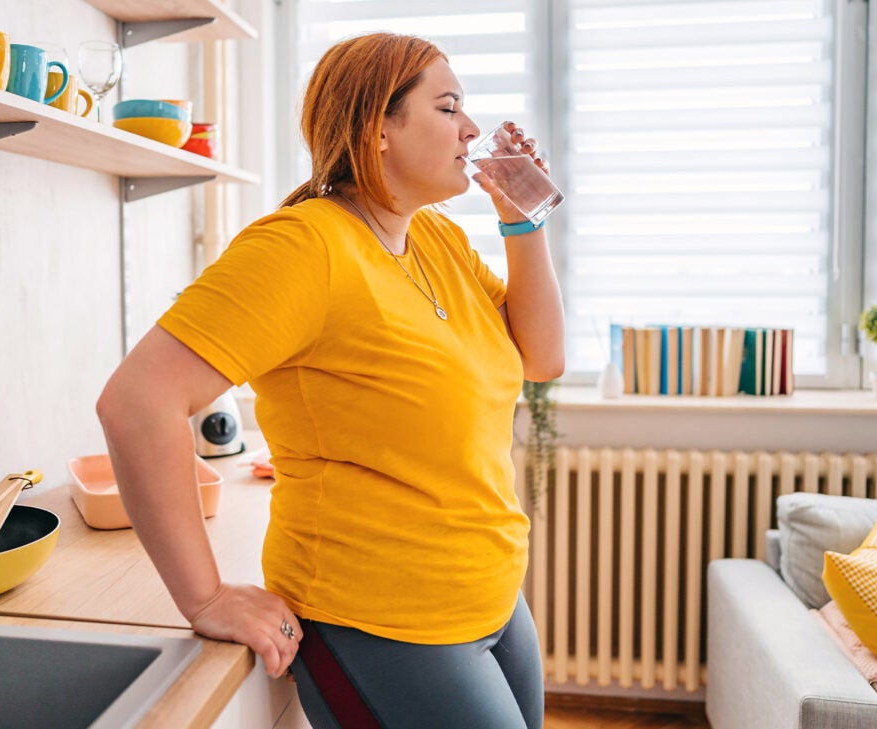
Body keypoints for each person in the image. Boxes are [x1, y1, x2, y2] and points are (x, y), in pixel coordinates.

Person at [96, 31, 564, 729]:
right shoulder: (302, 247)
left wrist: (522, 220)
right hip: (382, 619)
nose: (471, 129)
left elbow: (541, 358)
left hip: (492, 596)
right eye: (447, 108)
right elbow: (138, 403)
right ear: (379, 127)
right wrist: (205, 597)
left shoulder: (436, 240)